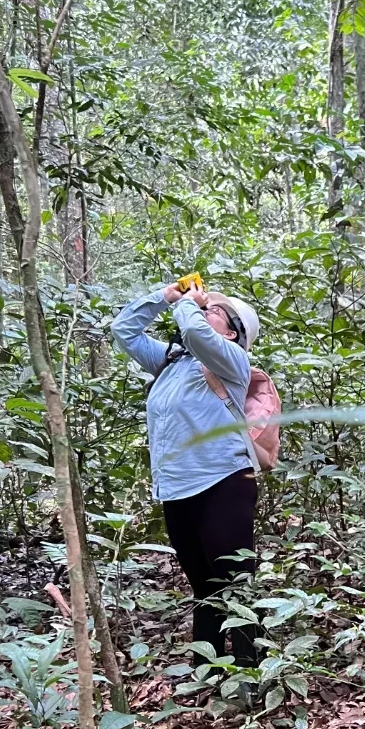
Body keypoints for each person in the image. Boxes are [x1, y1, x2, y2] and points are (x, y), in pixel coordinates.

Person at [112, 281, 262, 668]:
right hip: (177, 489)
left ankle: (251, 671)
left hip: (223, 481)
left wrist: (189, 305)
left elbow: (195, 331)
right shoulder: (171, 363)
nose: (202, 308)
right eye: (205, 304)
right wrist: (165, 296)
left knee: (236, 584)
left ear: (231, 332)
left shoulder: (231, 360)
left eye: (213, 309)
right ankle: (207, 673)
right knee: (204, 586)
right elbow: (123, 329)